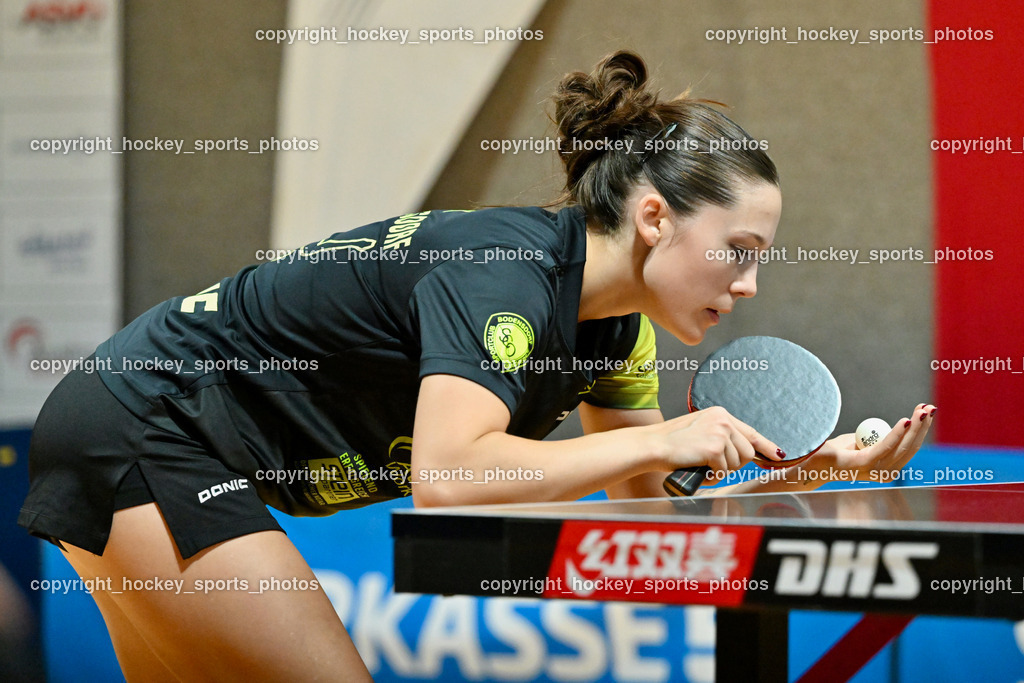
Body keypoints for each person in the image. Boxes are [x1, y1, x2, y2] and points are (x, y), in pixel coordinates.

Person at [19, 50, 934, 681]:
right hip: (149, 421)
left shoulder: (617, 333)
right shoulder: (508, 271)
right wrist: (676, 437)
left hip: (161, 438)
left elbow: (649, 522)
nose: (750, 282)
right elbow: (452, 477)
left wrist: (804, 471)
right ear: (655, 217)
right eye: (737, 247)